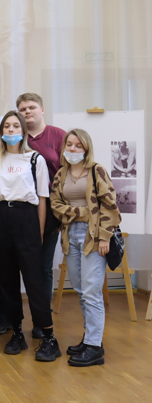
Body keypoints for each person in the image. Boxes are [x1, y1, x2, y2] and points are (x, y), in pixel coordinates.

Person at [0, 111, 60, 361]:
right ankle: (16, 331)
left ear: (23, 130)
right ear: (1, 131)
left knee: (34, 280)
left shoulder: (35, 159)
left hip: (27, 218)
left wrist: (38, 232)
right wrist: (3, 214)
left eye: (15, 125)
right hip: (2, 217)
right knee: (6, 279)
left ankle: (48, 336)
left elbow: (42, 199)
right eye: (6, 126)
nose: (11, 130)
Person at [50, 129, 121, 367]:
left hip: (94, 236)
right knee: (81, 290)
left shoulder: (96, 170)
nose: (72, 149)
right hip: (70, 236)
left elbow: (109, 205)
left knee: (92, 292)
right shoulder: (61, 173)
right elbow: (56, 205)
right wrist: (83, 212)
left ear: (86, 148)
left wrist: (104, 237)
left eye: (78, 145)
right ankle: (90, 338)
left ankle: (94, 347)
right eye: (69, 144)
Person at [0, 92, 65, 338]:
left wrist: (60, 214)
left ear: (42, 109)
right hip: (18, 213)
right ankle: (7, 318)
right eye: (22, 109)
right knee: (9, 268)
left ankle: (41, 320)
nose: (27, 112)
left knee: (41, 267)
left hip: (48, 210)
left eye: (31, 108)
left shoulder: (58, 136)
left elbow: (67, 173)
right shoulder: (15, 139)